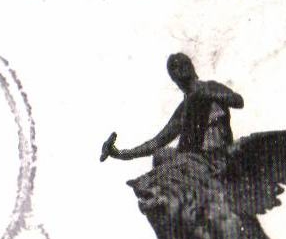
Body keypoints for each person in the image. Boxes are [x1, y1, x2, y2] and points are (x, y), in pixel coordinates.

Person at [100, 52, 243, 163]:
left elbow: (238, 101)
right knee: (161, 156)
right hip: (195, 159)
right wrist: (121, 153)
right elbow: (158, 142)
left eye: (182, 68)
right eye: (176, 71)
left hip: (218, 155)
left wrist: (207, 94)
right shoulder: (184, 109)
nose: (180, 75)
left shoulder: (211, 88)